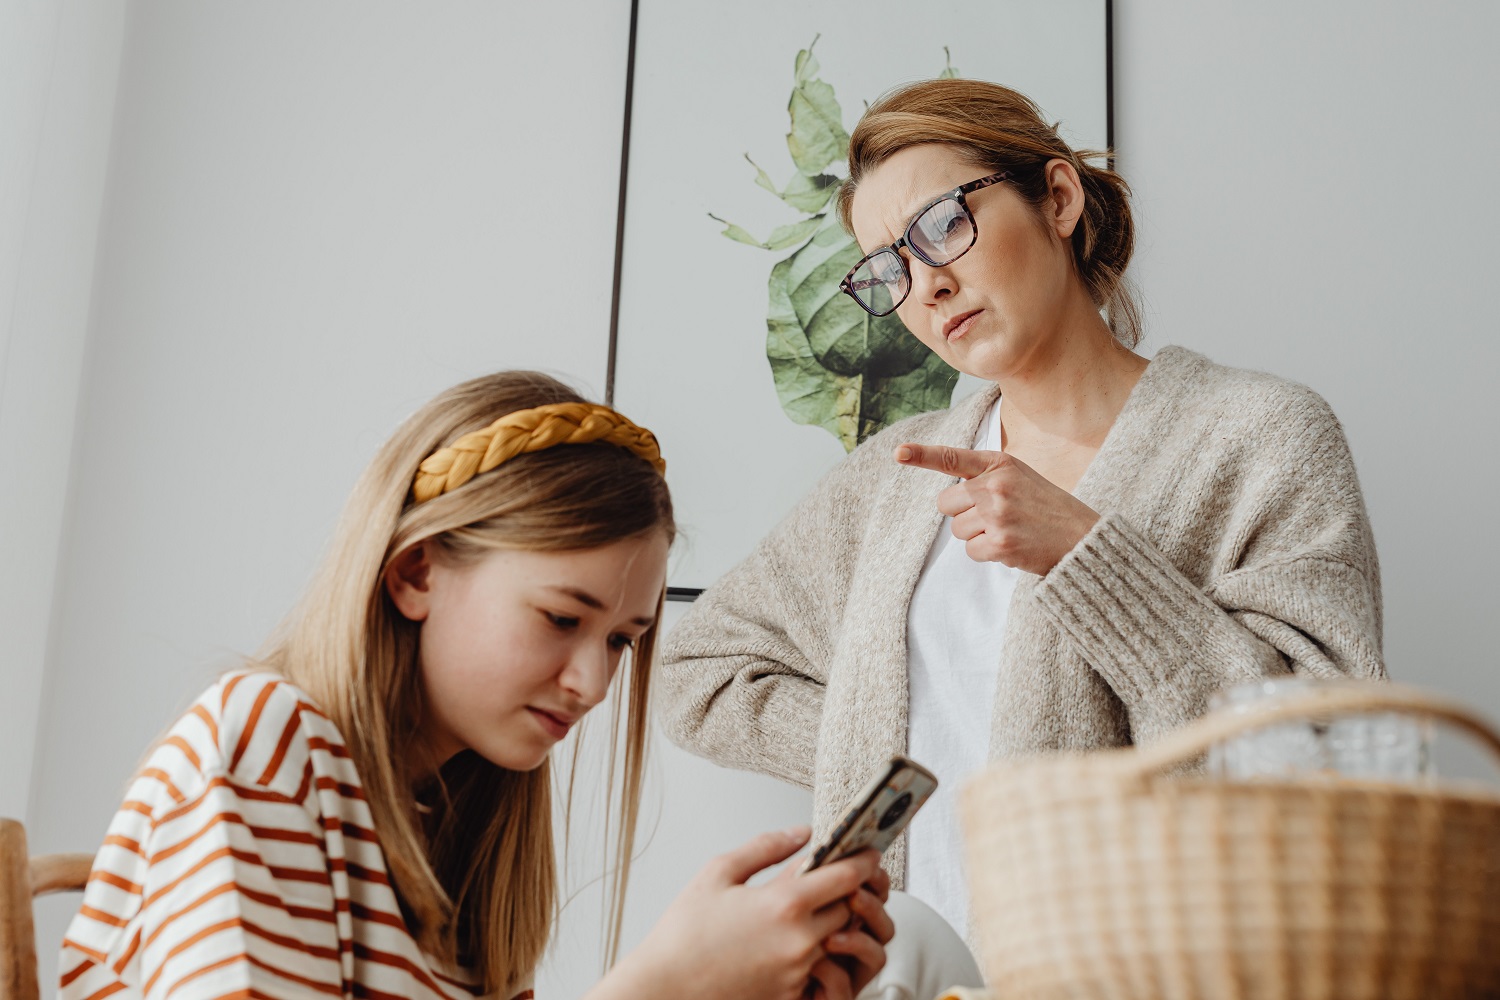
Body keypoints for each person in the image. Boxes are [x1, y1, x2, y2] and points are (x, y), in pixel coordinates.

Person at [658, 78, 1385, 942]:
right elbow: (699, 672)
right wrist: (889, 745)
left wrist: (1089, 557)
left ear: (1059, 199)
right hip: (901, 973)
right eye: (888, 267)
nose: (924, 285)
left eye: (940, 226)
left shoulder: (1260, 435)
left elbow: (1332, 753)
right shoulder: (892, 481)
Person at [58, 371, 894, 1000]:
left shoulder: (460, 838)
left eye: (620, 642)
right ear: (417, 573)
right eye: (562, 618)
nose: (592, 681)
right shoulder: (263, 742)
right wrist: (664, 985)